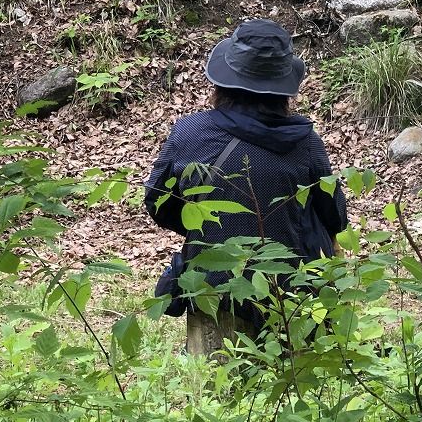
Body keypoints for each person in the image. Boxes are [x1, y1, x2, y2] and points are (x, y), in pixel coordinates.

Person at [144, 19, 348, 331]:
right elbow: (334, 216)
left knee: (216, 378)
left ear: (223, 80)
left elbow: (159, 203)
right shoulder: (306, 143)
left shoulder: (188, 133)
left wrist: (209, 225)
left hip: (211, 292)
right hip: (289, 301)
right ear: (283, 90)